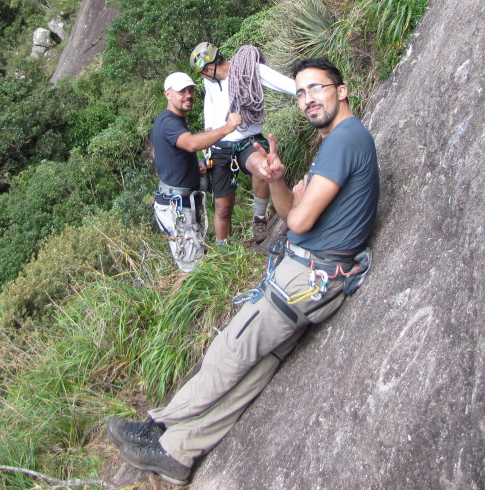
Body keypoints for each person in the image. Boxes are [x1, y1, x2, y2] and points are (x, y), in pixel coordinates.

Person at [110, 58, 379, 485]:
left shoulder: (346, 139)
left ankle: (159, 425)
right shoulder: (335, 143)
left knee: (230, 350)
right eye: (301, 93)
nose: (308, 99)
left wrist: (295, 203)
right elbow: (290, 207)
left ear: (340, 91)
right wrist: (276, 179)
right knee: (254, 371)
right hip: (316, 281)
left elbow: (299, 222)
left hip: (307, 277)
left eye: (317, 88)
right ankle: (178, 452)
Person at [189, 42, 296, 246]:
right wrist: (207, 143)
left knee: (262, 167)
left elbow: (281, 82)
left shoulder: (248, 70)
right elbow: (209, 115)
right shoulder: (209, 83)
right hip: (220, 146)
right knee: (223, 207)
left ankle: (259, 218)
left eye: (202, 73)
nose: (202, 78)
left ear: (209, 68)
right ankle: (223, 251)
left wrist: (306, 91)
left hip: (248, 141)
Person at [152, 71, 243, 273]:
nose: (188, 95)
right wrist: (226, 128)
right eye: (182, 91)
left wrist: (194, 167)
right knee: (193, 271)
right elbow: (191, 144)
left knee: (194, 263)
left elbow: (160, 154)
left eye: (191, 90)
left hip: (181, 204)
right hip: (177, 208)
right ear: (168, 94)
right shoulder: (169, 122)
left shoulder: (167, 121)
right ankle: (182, 303)